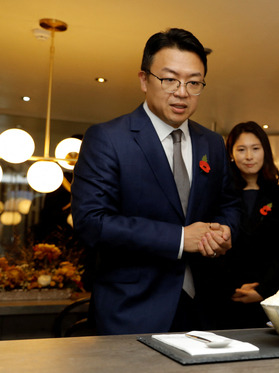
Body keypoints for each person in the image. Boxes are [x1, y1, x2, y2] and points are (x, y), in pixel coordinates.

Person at [71, 28, 240, 335]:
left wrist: (225, 230)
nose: (182, 92)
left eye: (194, 82)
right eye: (170, 79)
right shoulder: (108, 138)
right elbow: (91, 222)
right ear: (143, 80)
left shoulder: (212, 143)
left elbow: (229, 204)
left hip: (205, 312)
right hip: (131, 313)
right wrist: (178, 238)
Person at [215, 121, 279, 329]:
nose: (249, 156)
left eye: (255, 149)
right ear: (231, 154)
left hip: (267, 298)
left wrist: (263, 289)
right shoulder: (220, 195)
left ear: (265, 152)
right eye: (241, 149)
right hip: (223, 298)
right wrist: (230, 289)